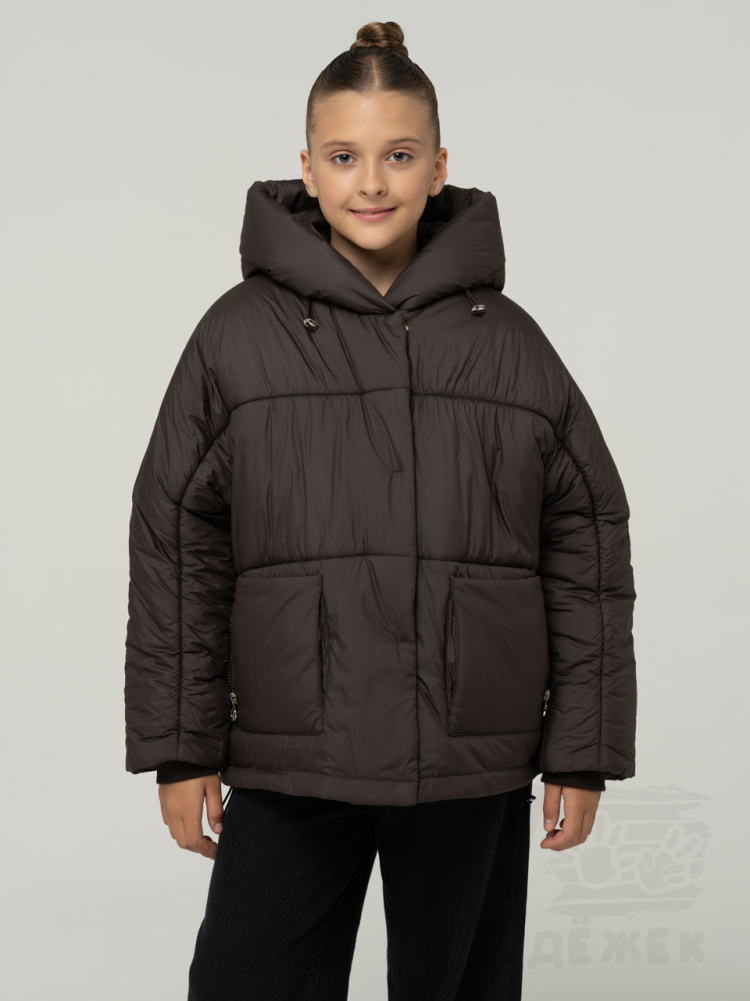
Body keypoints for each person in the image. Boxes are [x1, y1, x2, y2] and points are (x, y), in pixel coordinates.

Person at [123, 20, 637, 1001]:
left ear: (439, 167)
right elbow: (178, 543)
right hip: (293, 750)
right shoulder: (237, 338)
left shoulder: (509, 344)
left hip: (471, 754)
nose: (371, 182)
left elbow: (588, 544)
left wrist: (584, 749)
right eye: (344, 156)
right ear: (306, 169)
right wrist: (182, 747)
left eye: (399, 155)